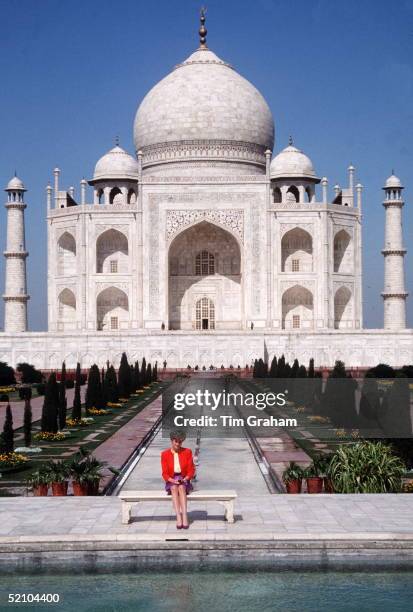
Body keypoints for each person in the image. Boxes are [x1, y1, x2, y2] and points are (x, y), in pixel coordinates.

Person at [161, 430, 195, 529]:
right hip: (171, 479)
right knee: (174, 488)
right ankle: (178, 517)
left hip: (184, 479)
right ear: (171, 441)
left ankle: (185, 516)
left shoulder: (187, 452)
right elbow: (164, 473)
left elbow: (191, 470)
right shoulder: (165, 454)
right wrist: (172, 480)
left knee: (181, 488)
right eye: (176, 441)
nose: (178, 444)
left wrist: (186, 478)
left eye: (180, 442)